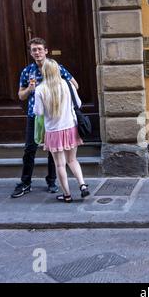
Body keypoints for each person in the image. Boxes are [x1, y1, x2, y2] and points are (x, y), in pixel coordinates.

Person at [11, 37, 79, 198]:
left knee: (53, 150)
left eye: (40, 49)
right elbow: (21, 96)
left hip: (55, 117)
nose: (37, 52)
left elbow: (75, 85)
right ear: (31, 53)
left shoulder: (58, 68)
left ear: (46, 51)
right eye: (34, 50)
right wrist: (30, 88)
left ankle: (52, 181)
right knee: (30, 149)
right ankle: (25, 183)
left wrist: (59, 93)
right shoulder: (27, 71)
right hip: (34, 116)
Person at [33, 59, 90, 202]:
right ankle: (83, 185)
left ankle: (67, 195)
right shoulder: (66, 84)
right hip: (70, 127)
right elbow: (79, 103)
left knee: (60, 164)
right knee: (72, 160)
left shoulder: (40, 89)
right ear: (57, 70)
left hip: (53, 131)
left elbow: (38, 112)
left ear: (43, 71)